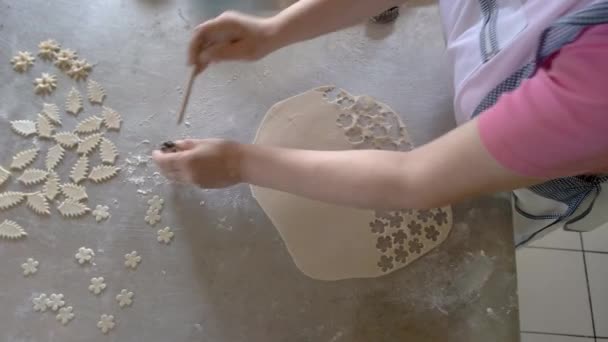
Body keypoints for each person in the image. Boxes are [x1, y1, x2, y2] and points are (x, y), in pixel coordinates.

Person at [152, 0, 608, 245]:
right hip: (489, 74)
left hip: (546, 156)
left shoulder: (598, 82)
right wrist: (276, 29)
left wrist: (238, 164)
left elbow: (417, 180)